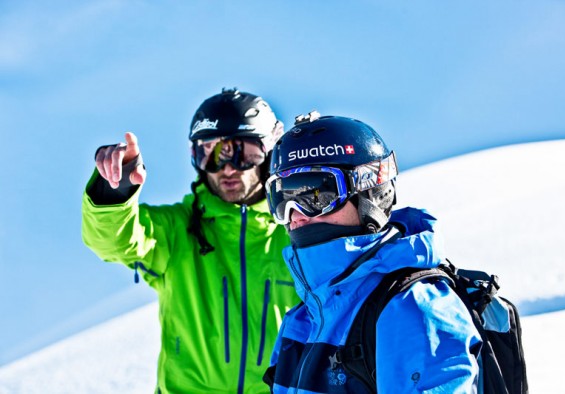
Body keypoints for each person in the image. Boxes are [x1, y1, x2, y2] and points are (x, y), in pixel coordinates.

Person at [81, 88, 300, 393]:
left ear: (270, 153)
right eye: (211, 151)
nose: (227, 166)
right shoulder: (177, 230)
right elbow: (114, 240)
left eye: (244, 151)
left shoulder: (296, 228)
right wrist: (113, 191)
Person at [262, 112, 482, 393]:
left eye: (315, 196)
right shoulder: (303, 318)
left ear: (369, 194)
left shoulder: (411, 307)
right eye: (282, 199)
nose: (296, 216)